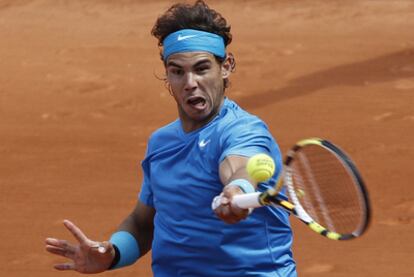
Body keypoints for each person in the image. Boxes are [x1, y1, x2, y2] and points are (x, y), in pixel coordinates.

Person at [45, 1, 297, 276]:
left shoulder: (244, 131)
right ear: (167, 74)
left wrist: (238, 191)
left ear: (226, 66)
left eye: (201, 68)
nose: (190, 82)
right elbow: (144, 223)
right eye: (178, 71)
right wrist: (112, 254)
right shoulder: (161, 143)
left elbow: (241, 168)